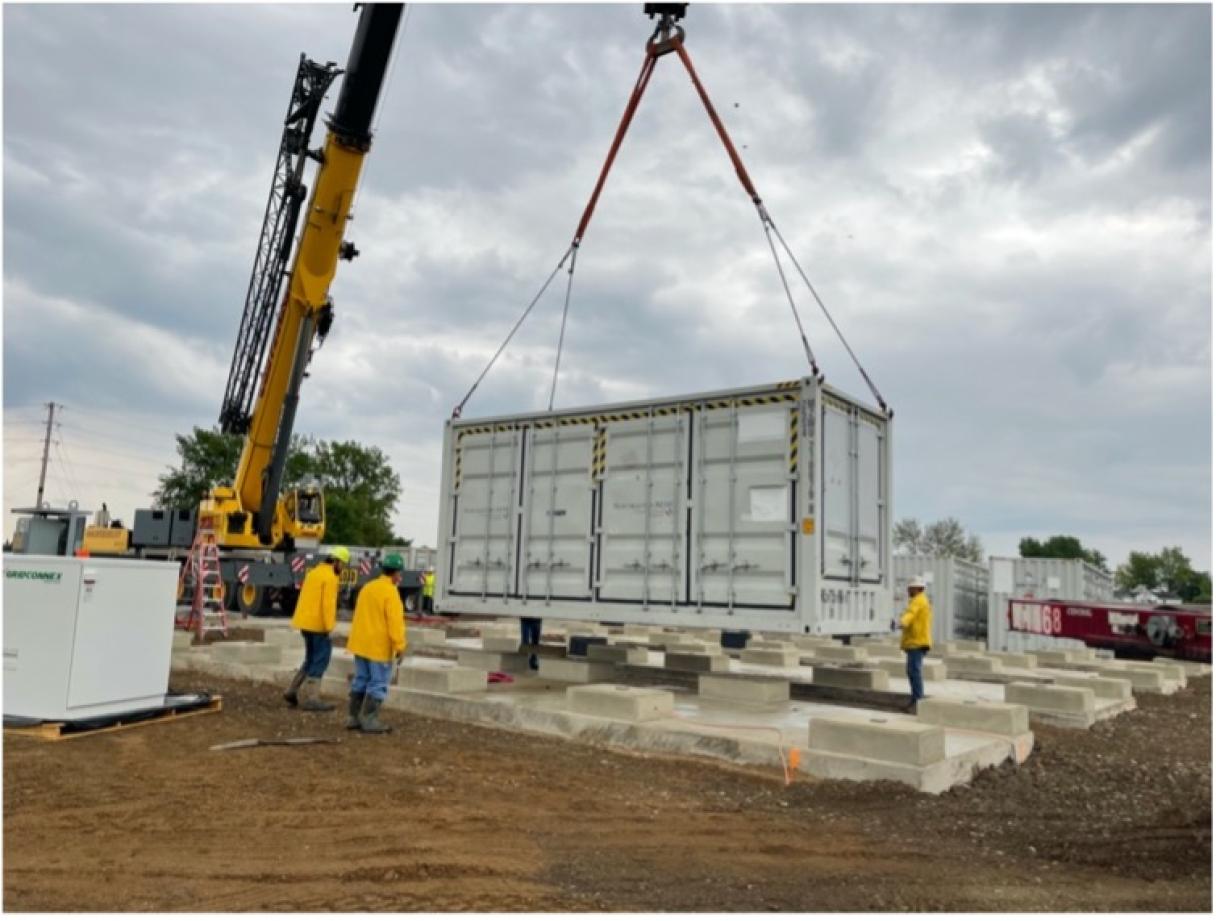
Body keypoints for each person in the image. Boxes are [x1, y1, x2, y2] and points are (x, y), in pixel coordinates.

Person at [346, 552, 408, 733]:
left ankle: (353, 717)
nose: (400, 577)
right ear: (395, 573)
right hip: (378, 647)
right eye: (399, 573)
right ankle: (369, 719)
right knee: (378, 682)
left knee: (361, 679)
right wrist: (399, 646)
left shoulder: (368, 587)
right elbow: (395, 623)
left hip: (360, 644)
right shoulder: (391, 593)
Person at [284, 546, 349, 711]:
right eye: (342, 564)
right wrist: (330, 627)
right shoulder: (330, 578)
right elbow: (328, 605)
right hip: (319, 626)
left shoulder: (313, 573)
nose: (342, 568)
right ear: (336, 561)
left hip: (305, 624)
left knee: (310, 658)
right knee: (320, 660)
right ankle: (312, 698)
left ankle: (292, 690)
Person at [899, 577, 934, 713]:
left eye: (910, 588)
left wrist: (902, 622)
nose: (908, 590)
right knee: (912, 671)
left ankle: (918, 702)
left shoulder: (918, 600)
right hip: (917, 641)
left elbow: (910, 614)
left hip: (917, 642)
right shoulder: (920, 600)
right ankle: (915, 700)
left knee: (914, 671)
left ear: (917, 588)